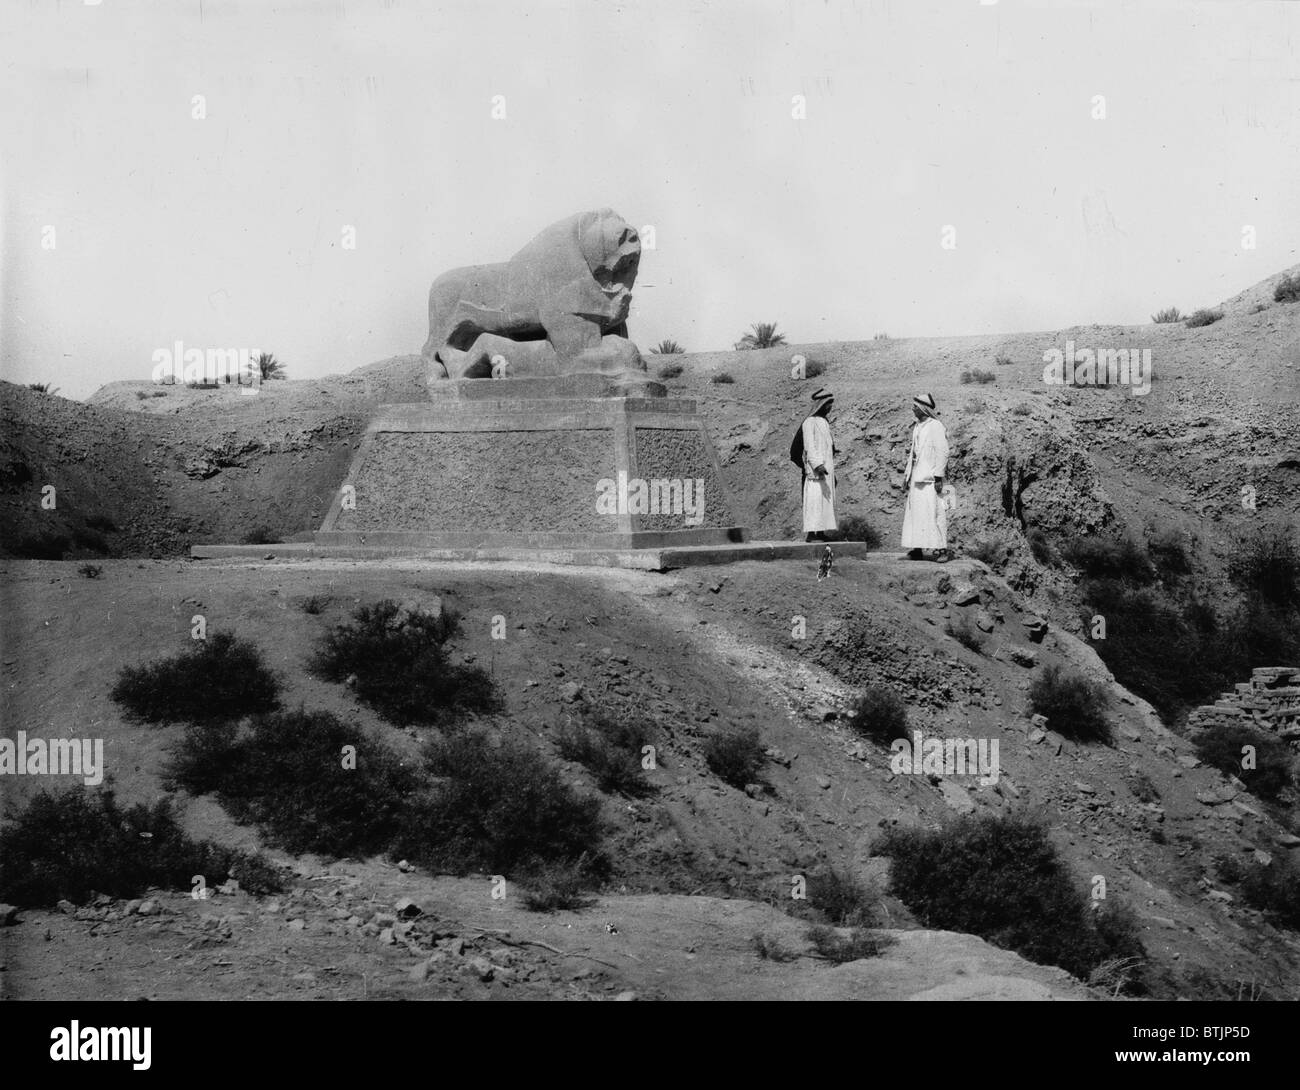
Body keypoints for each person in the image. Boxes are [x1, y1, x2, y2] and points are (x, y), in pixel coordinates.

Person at [901, 392, 950, 561]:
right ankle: (917, 548)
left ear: (923, 408)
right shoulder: (917, 427)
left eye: (915, 406)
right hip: (917, 477)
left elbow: (943, 452)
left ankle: (942, 550)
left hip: (931, 478)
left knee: (936, 513)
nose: (913, 409)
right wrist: (907, 476)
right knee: (916, 513)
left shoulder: (935, 426)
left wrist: (938, 477)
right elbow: (913, 455)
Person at [790, 389, 837, 542]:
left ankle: (821, 532)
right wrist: (816, 465)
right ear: (821, 404)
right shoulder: (809, 422)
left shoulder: (824, 422)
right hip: (815, 471)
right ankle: (811, 534)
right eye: (828, 404)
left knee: (824, 502)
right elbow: (809, 446)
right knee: (813, 501)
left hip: (826, 469)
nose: (830, 408)